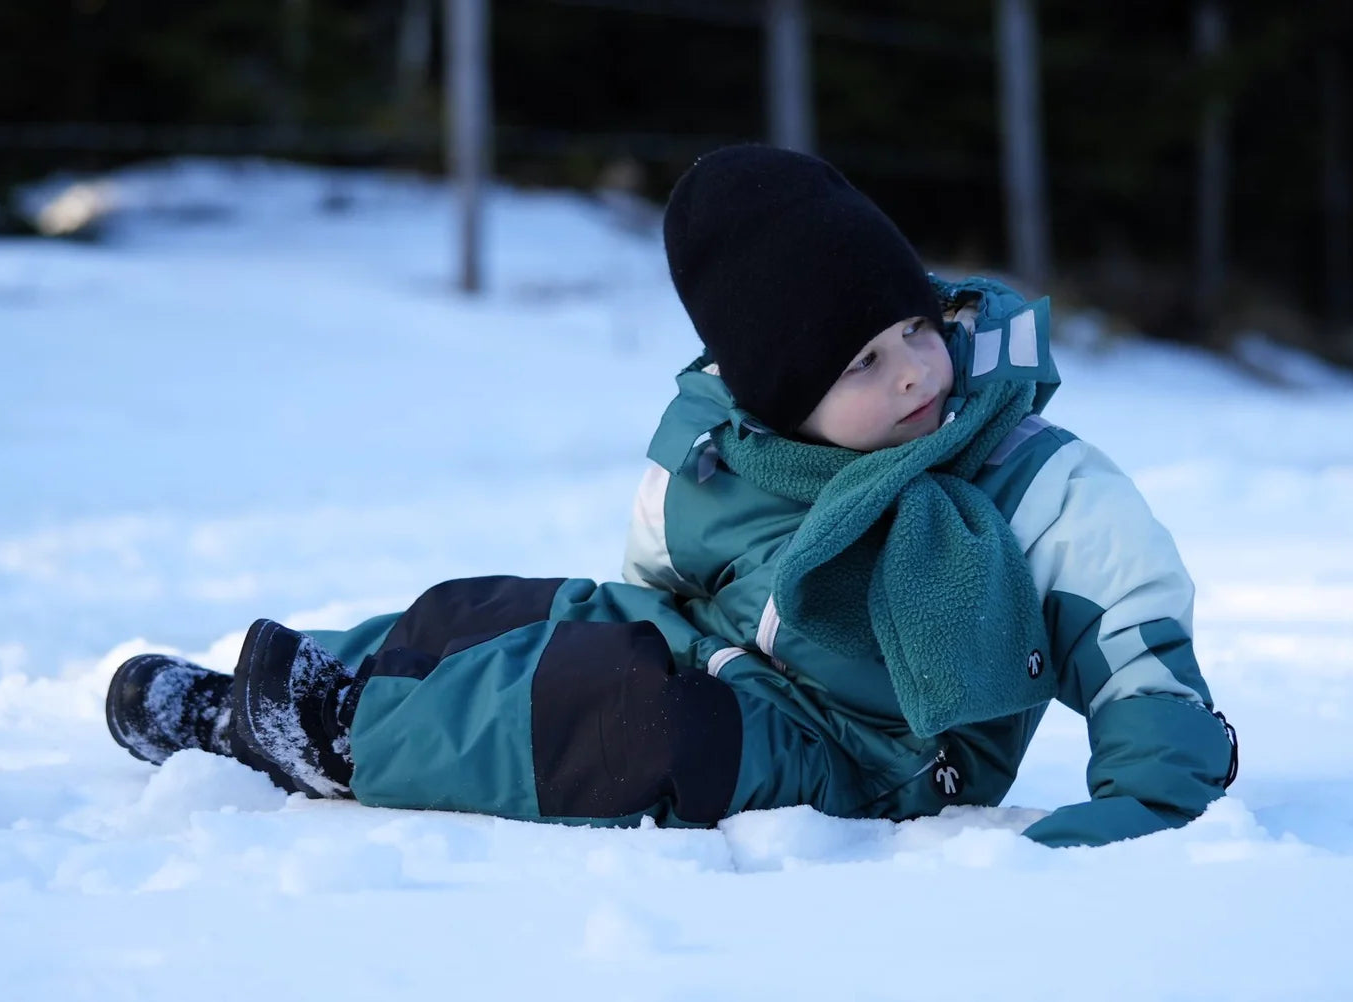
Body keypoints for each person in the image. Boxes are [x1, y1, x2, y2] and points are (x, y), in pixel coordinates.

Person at [104, 145, 1236, 847]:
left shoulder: (1036, 478)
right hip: (730, 649)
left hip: (874, 754)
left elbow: (1139, 643)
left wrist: (1139, 804)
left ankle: (347, 739)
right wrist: (621, 625)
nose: (909, 373)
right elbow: (657, 578)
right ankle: (291, 685)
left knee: (619, 710)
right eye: (858, 365)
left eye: (913, 332)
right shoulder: (723, 451)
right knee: (508, 611)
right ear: (777, 400)